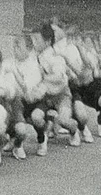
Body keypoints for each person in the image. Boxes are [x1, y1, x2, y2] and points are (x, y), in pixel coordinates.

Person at [28, 23, 81, 155]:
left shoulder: (54, 56)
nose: (33, 43)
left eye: (37, 40)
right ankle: (43, 136)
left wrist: (42, 79)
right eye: (32, 40)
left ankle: (74, 131)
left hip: (61, 95)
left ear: (47, 42)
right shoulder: (33, 56)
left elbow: (59, 77)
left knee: (63, 120)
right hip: (45, 97)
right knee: (35, 116)